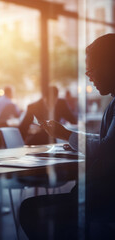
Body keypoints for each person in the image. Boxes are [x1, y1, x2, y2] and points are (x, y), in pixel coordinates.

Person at [20, 34, 115, 239]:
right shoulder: (113, 102)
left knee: (30, 210)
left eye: (91, 70)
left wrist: (65, 134)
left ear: (110, 64)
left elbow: (107, 150)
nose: (89, 77)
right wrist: (72, 139)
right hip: (102, 190)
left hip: (107, 196)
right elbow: (106, 141)